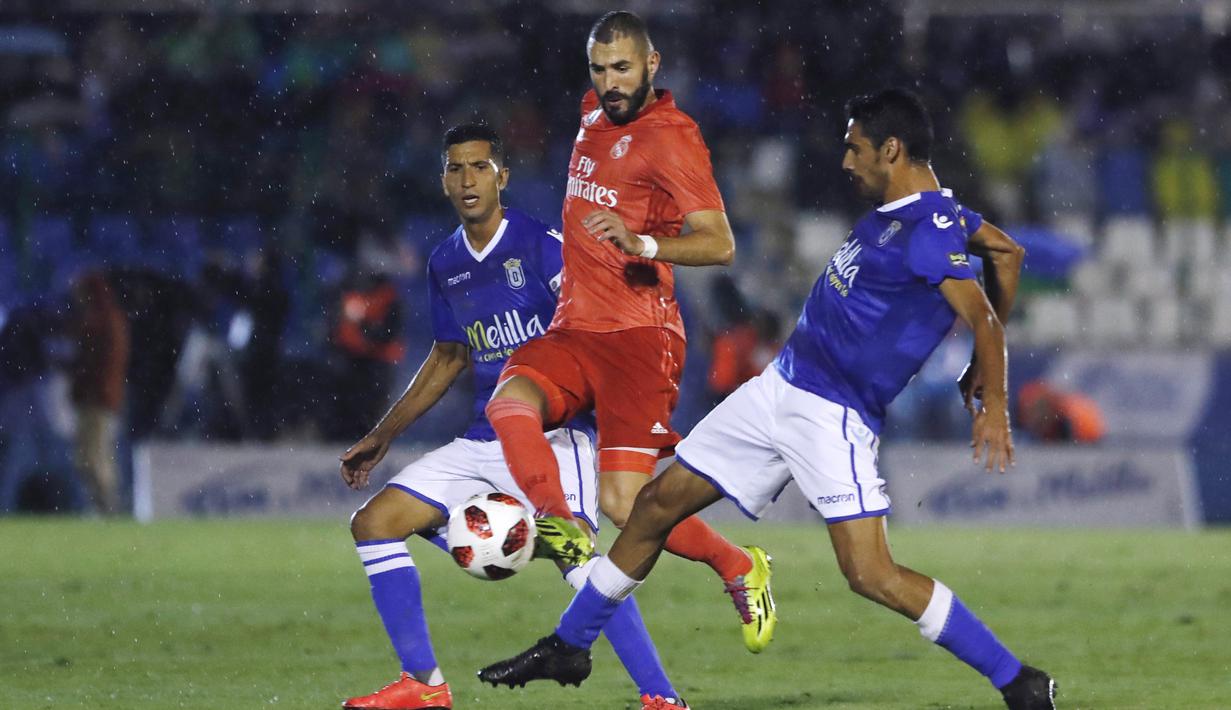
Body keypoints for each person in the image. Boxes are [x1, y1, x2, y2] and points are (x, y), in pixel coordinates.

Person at [479, 89, 1059, 710]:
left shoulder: (927, 230)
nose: (845, 161)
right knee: (654, 505)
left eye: (855, 148)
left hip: (831, 415)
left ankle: (1017, 680)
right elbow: (1007, 251)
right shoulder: (923, 214)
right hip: (777, 388)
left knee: (871, 574)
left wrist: (992, 393)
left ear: (891, 150)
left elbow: (984, 317)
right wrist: (977, 364)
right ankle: (570, 644)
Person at [337, 124, 690, 710]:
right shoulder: (446, 262)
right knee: (374, 523)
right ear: (443, 181)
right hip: (483, 438)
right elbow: (449, 357)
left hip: (554, 435)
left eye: (480, 167)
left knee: (578, 560)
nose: (467, 179)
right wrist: (383, 435)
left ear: (502, 176)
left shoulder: (544, 246)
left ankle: (662, 698)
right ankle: (424, 684)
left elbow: (603, 329)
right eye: (455, 168)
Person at [481, 10, 776, 658]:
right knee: (509, 402)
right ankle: (558, 523)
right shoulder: (593, 112)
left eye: (622, 68)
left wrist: (642, 242)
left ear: (651, 65)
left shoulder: (673, 137)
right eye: (599, 69)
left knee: (626, 505)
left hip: (639, 337)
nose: (610, 82)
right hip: (575, 327)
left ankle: (738, 564)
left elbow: (720, 243)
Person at [68, 270, 130, 514]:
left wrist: (87, 385)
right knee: (93, 456)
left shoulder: (101, 321)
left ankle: (107, 507)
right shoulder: (109, 319)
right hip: (100, 397)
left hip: (97, 399)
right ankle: (104, 505)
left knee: (93, 456)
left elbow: (98, 362)